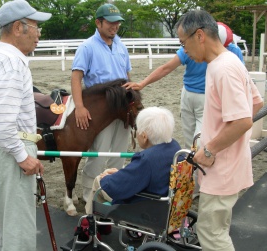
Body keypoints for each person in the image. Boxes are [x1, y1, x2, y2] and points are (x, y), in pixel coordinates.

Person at [123, 22, 244, 198]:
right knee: (190, 142)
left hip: (208, 99)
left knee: (199, 141)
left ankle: (199, 184)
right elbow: (167, 67)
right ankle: (191, 182)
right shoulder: (191, 48)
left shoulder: (231, 53)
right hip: (188, 95)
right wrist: (143, 83)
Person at [175, 10, 263, 251]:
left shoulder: (222, 68)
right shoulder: (230, 61)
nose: (184, 51)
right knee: (217, 228)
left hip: (222, 168)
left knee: (210, 233)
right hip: (229, 163)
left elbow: (243, 121)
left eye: (184, 43)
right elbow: (256, 102)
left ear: (199, 35)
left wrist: (211, 149)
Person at [0, 1, 51, 250]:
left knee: (14, 227)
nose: (39, 33)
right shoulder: (11, 63)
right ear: (19, 27)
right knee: (19, 233)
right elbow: (2, 123)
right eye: (36, 26)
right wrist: (23, 156)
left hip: (4, 150)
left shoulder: (1, 58)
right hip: (10, 151)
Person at [71, 3, 132, 202]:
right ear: (98, 22)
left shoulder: (121, 44)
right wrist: (79, 107)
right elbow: (76, 77)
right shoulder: (87, 47)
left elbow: (127, 75)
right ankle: (88, 195)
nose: (114, 27)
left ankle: (112, 191)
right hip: (101, 110)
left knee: (120, 153)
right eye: (110, 23)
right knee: (97, 154)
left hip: (121, 108)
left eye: (117, 24)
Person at [85, 106, 181, 215]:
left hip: (144, 206)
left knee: (99, 181)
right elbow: (143, 175)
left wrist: (106, 178)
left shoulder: (146, 159)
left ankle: (90, 222)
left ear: (144, 137)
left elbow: (119, 187)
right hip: (167, 202)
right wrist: (120, 173)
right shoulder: (175, 148)